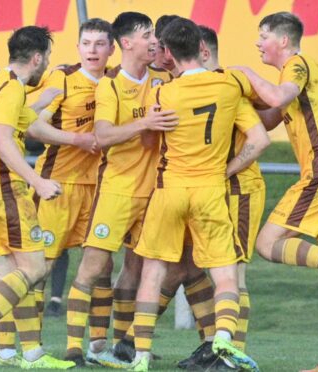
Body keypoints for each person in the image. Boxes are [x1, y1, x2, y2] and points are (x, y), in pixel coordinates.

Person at [0, 25, 98, 370]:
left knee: (12, 272)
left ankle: (26, 354)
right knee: (33, 268)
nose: (47, 65)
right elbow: (4, 140)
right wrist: (38, 181)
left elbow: (30, 127)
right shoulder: (8, 89)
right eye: (46, 58)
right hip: (3, 189)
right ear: (37, 58)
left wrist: (75, 139)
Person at [233, 12, 318, 372]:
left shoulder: (297, 64)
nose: (258, 43)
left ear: (284, 41)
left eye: (263, 36)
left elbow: (277, 94)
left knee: (267, 244)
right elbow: (269, 117)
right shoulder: (299, 71)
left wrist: (245, 74)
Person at [128, 17, 261, 372]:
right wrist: (227, 169)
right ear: (202, 49)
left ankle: (140, 356)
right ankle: (222, 340)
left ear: (168, 53)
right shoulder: (229, 85)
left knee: (152, 274)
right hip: (210, 191)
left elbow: (147, 141)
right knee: (227, 277)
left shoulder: (162, 92)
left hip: (170, 189)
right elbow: (260, 133)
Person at [63, 11, 176, 367]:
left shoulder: (164, 79)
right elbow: (103, 135)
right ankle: (73, 347)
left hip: (156, 192)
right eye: (147, 35)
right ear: (127, 43)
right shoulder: (109, 86)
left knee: (142, 270)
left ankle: (122, 346)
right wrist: (145, 122)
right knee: (92, 267)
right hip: (117, 190)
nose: (154, 40)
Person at [30, 18, 118, 359]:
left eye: (100, 44)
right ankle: (30, 346)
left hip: (100, 188)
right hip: (59, 186)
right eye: (86, 43)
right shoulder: (63, 78)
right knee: (41, 266)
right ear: (78, 47)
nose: (92, 50)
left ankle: (97, 346)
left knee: (102, 268)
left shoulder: (117, 82)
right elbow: (34, 125)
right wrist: (75, 140)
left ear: (112, 48)